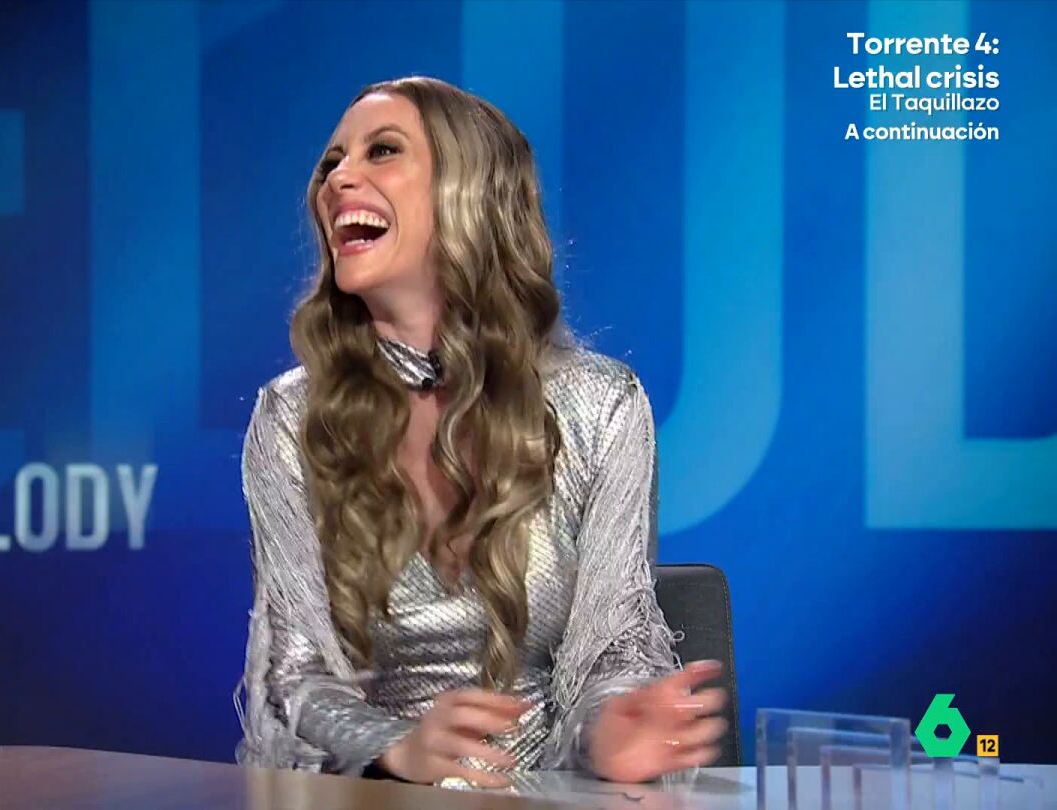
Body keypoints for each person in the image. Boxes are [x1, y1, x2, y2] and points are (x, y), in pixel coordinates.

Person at [234, 75, 726, 789]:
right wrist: (398, 746)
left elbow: (612, 650)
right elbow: (293, 676)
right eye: (332, 162)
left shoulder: (602, 406)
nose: (338, 179)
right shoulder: (291, 418)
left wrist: (611, 731)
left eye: (382, 151)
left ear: (470, 192)